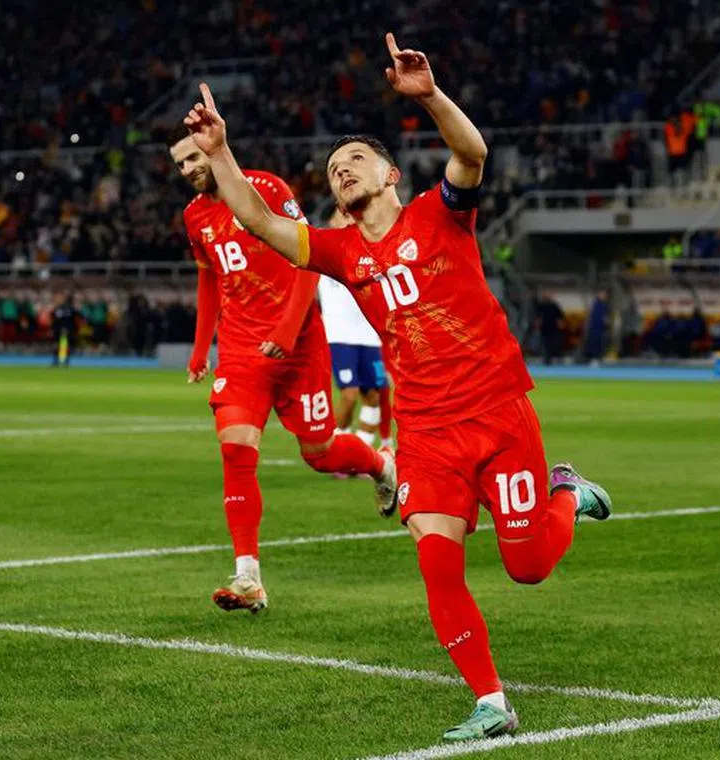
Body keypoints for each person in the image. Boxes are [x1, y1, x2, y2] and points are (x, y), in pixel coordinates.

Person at [182, 33, 611, 741]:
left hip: (497, 411)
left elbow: (472, 155)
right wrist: (222, 152)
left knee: (529, 566)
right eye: (333, 167)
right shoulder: (342, 251)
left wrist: (430, 96)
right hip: (427, 430)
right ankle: (492, 703)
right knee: (437, 562)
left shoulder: (440, 215)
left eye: (355, 160)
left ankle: (567, 489)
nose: (342, 171)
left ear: (389, 175)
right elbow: (258, 220)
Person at [166, 124, 397, 615]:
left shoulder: (266, 189)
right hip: (241, 349)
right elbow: (209, 280)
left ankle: (382, 465)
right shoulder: (194, 217)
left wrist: (290, 330)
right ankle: (248, 575)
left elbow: (304, 260)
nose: (188, 170)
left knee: (320, 451)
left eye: (193, 158)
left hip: (299, 347)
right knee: (235, 448)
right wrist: (199, 348)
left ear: (212, 149)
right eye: (180, 165)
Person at [317, 210, 394, 453]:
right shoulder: (322, 253)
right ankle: (338, 450)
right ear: (331, 222)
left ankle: (360, 452)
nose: (348, 218)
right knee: (349, 395)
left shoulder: (369, 252)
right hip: (339, 337)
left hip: (370, 337)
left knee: (373, 396)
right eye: (342, 214)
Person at [51, 291, 77, 367]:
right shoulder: (58, 309)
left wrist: (68, 329)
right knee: (58, 346)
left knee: (65, 346)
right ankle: (57, 361)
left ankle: (65, 361)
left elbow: (71, 320)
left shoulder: (69, 309)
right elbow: (55, 321)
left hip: (67, 330)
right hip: (59, 330)